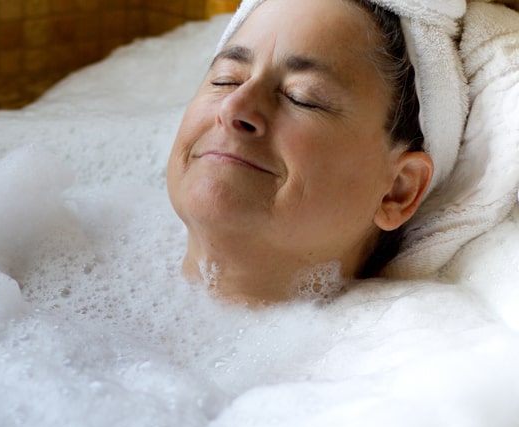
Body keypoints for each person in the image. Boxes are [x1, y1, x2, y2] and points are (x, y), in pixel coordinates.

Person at [166, 0, 465, 304]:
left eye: (301, 97)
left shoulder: (419, 349)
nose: (234, 107)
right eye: (226, 80)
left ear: (398, 191)